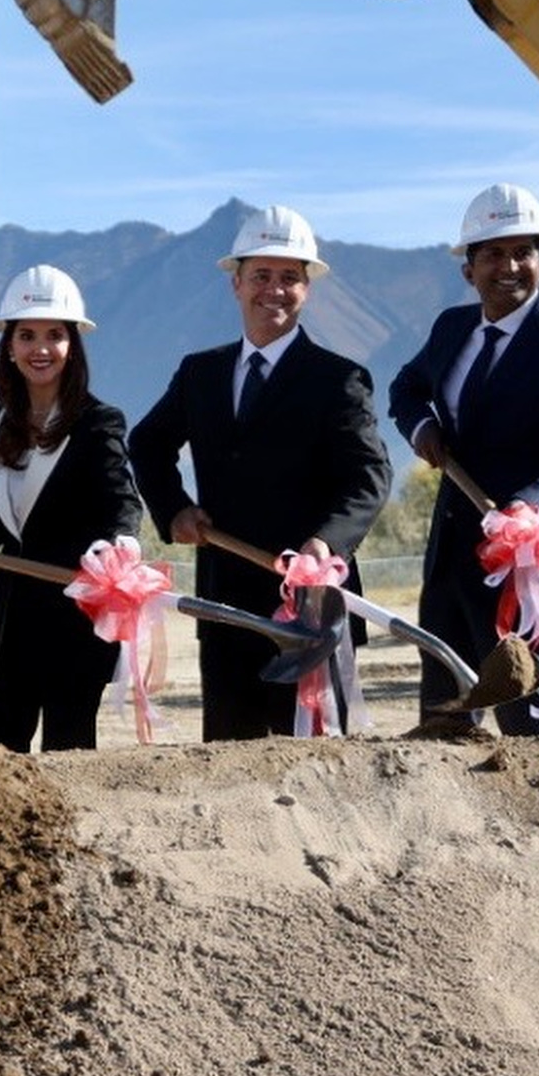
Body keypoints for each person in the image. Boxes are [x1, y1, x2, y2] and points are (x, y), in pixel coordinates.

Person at [128, 205, 392, 739]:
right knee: (230, 763)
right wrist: (174, 508)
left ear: (307, 289)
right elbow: (147, 442)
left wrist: (326, 543)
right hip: (225, 606)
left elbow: (369, 476)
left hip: (311, 609)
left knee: (317, 766)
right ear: (237, 283)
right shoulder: (200, 373)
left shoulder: (338, 380)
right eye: (262, 276)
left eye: (289, 278)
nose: (274, 290)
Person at [386, 182, 539, 736]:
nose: (508, 265)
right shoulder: (452, 329)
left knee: (529, 725)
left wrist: (529, 505)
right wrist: (422, 427)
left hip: (526, 569)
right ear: (469, 270)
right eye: (492, 253)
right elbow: (407, 386)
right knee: (444, 720)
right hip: (452, 560)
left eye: (523, 253)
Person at [0, 266, 143, 752]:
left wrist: (119, 550)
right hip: (7, 624)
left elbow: (122, 501)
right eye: (26, 335)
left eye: (54, 335)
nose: (40, 348)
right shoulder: (1, 418)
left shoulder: (98, 422)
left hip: (72, 618)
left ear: (73, 346)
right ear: (9, 345)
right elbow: (14, 511)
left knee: (67, 758)